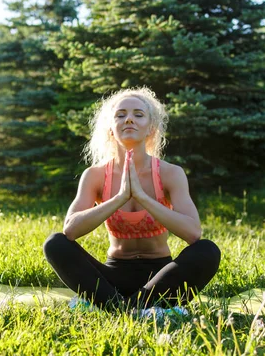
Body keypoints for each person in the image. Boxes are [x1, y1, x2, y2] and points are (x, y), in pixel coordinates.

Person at [43, 87, 220, 310]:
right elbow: (70, 231)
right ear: (110, 129)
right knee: (55, 244)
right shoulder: (95, 175)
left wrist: (143, 197)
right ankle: (127, 307)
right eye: (120, 115)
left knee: (207, 250)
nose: (129, 119)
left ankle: (123, 307)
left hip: (162, 279)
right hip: (111, 279)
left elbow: (193, 233)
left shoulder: (170, 173)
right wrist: (119, 197)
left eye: (138, 114)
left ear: (151, 129)